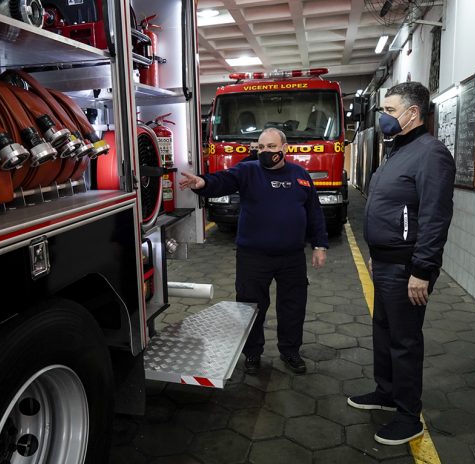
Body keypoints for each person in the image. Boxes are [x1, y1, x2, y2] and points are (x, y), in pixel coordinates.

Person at [347, 82, 455, 446]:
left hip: (408, 268)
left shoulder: (430, 153)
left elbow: (435, 217)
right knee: (384, 332)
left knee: (405, 341)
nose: (383, 117)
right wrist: (376, 257)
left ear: (413, 113)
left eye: (390, 110)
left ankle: (409, 416)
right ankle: (387, 392)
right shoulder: (397, 151)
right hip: (386, 264)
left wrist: (422, 271)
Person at [179, 127, 328, 375]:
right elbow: (223, 180)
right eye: (261, 147)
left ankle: (290, 351)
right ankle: (252, 353)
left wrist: (319, 245)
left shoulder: (301, 175)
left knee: (293, 307)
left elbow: (314, 212)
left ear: (284, 148)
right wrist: (202, 182)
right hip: (253, 257)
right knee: (250, 308)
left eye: (271, 147)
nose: (265, 152)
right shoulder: (248, 171)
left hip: (291, 257)